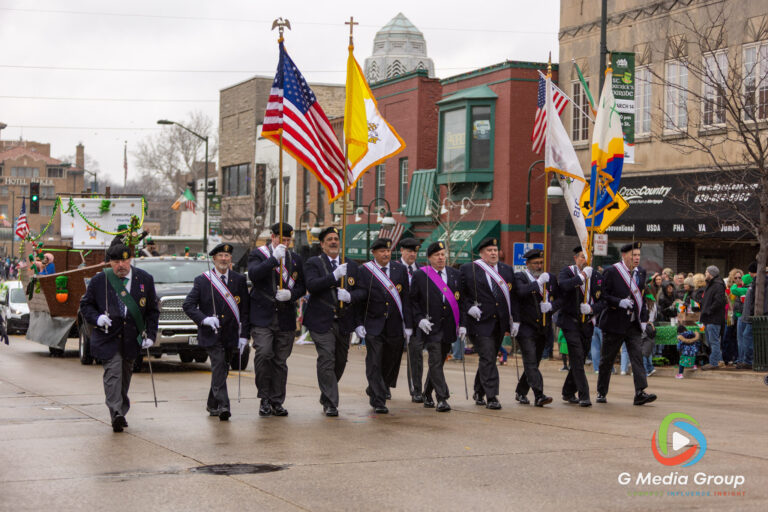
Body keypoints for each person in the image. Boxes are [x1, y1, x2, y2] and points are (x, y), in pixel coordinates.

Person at [79, 243, 159, 432]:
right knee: (113, 374)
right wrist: (97, 318)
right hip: (108, 338)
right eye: (116, 261)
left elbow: (152, 311)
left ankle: (121, 409)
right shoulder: (100, 280)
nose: (120, 265)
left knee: (125, 377)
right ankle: (116, 413)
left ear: (130, 260)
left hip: (132, 338)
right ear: (110, 262)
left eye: (124, 260)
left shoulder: (144, 279)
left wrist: (151, 334)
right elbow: (86, 305)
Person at [182, 243, 250, 421]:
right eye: (220, 255)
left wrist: (244, 336)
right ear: (214, 259)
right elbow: (188, 305)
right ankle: (223, 405)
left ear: (231, 259)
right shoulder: (203, 280)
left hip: (231, 334)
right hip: (211, 333)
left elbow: (245, 310)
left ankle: (212, 403)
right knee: (219, 364)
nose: (224, 259)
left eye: (227, 256)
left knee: (223, 369)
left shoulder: (239, 280)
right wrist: (204, 319)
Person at [248, 222, 306, 417]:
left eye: (288, 240)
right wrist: (273, 260)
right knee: (264, 354)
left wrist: (291, 294)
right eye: (282, 239)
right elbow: (255, 276)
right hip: (263, 316)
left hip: (285, 317)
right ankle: (264, 398)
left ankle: (277, 401)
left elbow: (301, 286)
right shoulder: (258, 255)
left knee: (280, 361)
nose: (286, 244)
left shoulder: (295, 259)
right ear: (272, 237)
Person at [302, 227, 362, 417]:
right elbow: (311, 285)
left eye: (336, 239)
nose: (334, 242)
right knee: (326, 358)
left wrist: (350, 296)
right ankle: (331, 403)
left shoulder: (351, 265)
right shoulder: (314, 263)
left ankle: (326, 393)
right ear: (322, 244)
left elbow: (362, 292)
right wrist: (333, 277)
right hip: (321, 320)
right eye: (329, 239)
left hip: (344, 321)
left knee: (340, 361)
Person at [355, 238, 412, 414]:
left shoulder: (400, 270)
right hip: (373, 324)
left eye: (388, 251)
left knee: (391, 361)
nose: (386, 254)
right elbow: (359, 300)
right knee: (374, 361)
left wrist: (408, 324)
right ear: (374, 253)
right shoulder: (364, 271)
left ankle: (376, 387)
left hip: (395, 325)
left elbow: (406, 298)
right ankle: (378, 400)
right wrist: (358, 323)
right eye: (382, 251)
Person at [460, 237, 518, 410]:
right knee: (487, 356)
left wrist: (516, 320)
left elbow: (513, 297)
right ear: (481, 253)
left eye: (495, 250)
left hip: (500, 322)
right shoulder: (468, 269)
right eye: (489, 250)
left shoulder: (507, 271)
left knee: (490, 357)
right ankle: (492, 396)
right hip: (479, 322)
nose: (493, 253)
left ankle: (479, 391)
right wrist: (469, 307)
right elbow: (461, 295)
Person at [596, 241, 657, 406]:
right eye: (633, 255)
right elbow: (603, 295)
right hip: (614, 323)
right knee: (607, 359)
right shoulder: (612, 271)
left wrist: (643, 319)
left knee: (637, 357)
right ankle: (601, 391)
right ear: (624, 256)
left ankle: (640, 392)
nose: (637, 258)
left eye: (638, 255)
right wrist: (618, 302)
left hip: (633, 324)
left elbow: (642, 298)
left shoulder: (641, 272)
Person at [410, 241, 465, 412]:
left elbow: (461, 301)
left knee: (439, 362)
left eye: (443, 254)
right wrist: (419, 319)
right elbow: (413, 301)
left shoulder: (455, 274)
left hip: (449, 326)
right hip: (431, 325)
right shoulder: (420, 275)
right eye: (437, 255)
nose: (441, 258)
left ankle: (427, 392)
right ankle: (442, 398)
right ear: (429, 258)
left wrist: (463, 324)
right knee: (434, 360)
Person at [555, 246, 604, 407]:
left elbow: (603, 300)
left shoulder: (596, 276)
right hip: (570, 322)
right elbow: (564, 286)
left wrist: (591, 309)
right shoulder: (567, 272)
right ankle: (584, 395)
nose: (585, 260)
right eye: (582, 257)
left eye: (587, 257)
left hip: (587, 323)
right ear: (575, 258)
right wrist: (582, 277)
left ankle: (568, 391)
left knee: (581, 358)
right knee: (576, 356)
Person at [513, 248, 556, 407]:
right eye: (535, 263)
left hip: (542, 327)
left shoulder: (548, 278)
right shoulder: (520, 277)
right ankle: (539, 395)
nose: (539, 266)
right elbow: (521, 292)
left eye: (540, 263)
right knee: (530, 361)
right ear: (527, 264)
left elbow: (560, 298)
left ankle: (521, 391)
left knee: (534, 362)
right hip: (525, 327)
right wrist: (537, 283)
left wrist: (551, 306)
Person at [398, 237, 425, 403]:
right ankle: (383, 385)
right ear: (402, 251)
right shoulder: (393, 268)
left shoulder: (421, 270)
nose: (412, 254)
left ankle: (416, 389)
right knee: (390, 355)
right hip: (395, 318)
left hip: (415, 320)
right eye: (409, 251)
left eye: (415, 251)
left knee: (416, 355)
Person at [700, 266, 726, 370]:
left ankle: (714, 363)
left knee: (713, 341)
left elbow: (718, 301)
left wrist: (708, 310)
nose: (705, 274)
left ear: (711, 273)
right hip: (709, 317)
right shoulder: (711, 285)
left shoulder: (717, 285)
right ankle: (719, 362)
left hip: (713, 318)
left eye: (706, 272)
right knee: (712, 341)